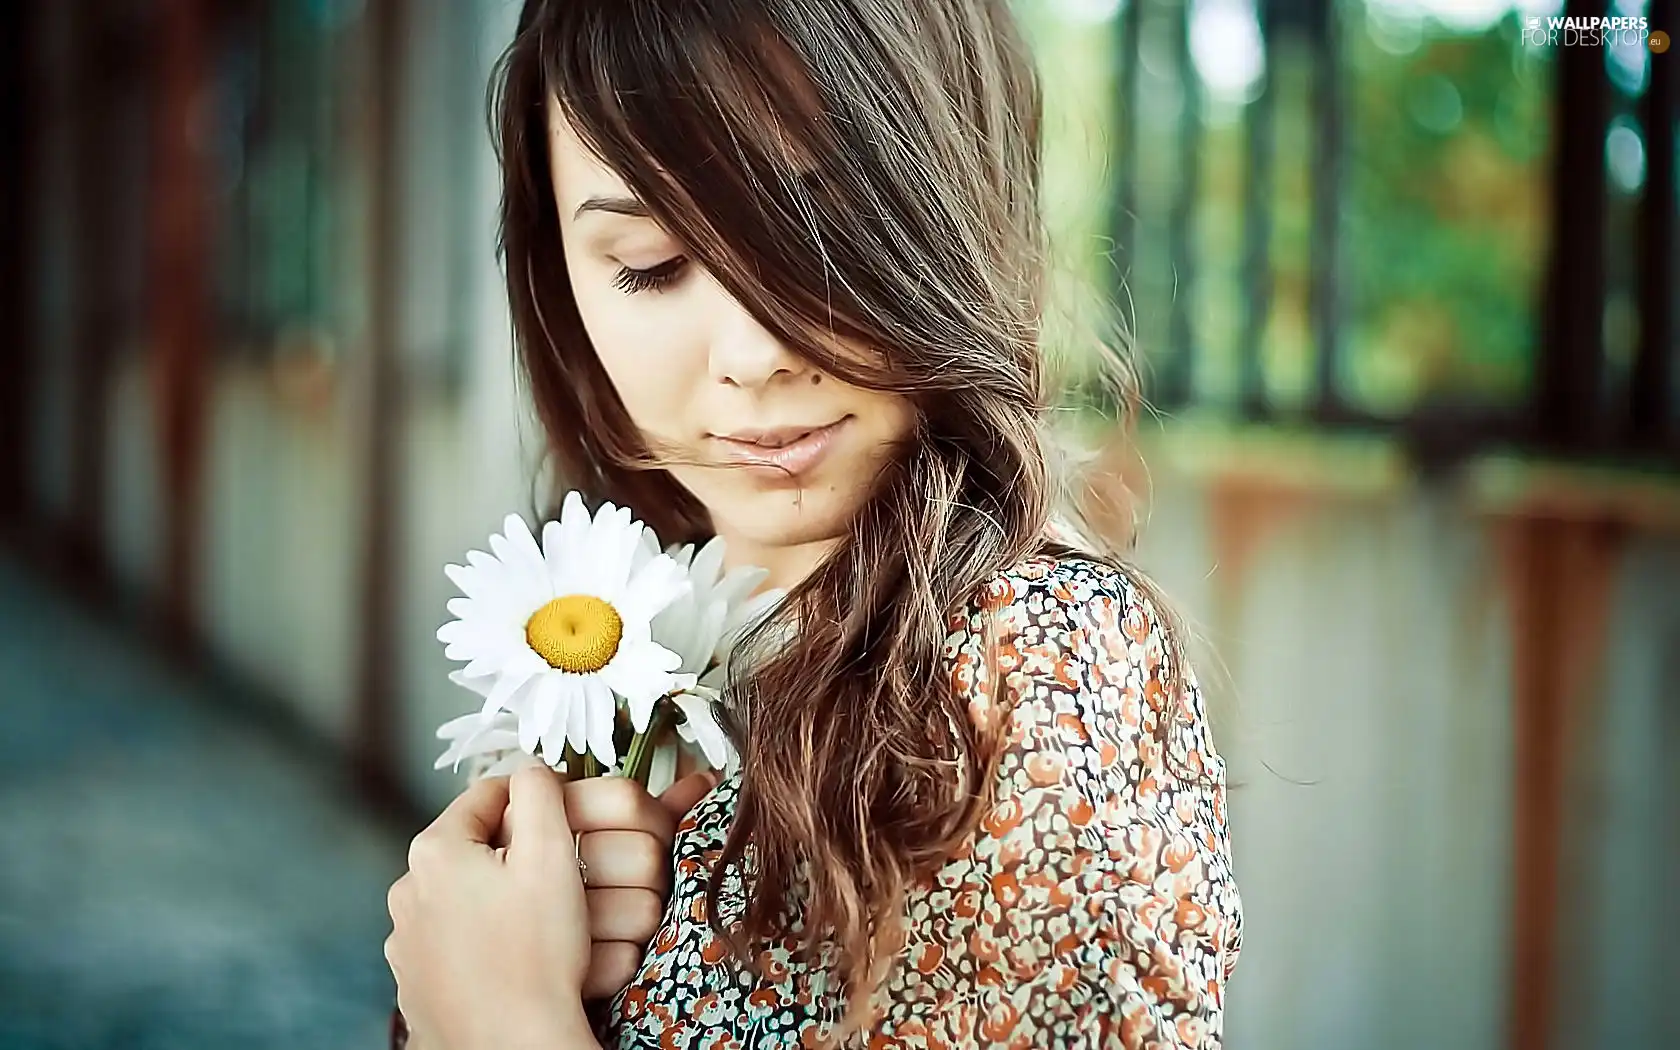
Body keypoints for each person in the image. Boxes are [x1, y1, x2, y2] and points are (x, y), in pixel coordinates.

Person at [382, 0, 1242, 1046]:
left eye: (812, 234)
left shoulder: (1036, 671)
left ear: (957, 206)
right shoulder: (630, 628)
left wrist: (496, 1021)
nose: (752, 353)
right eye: (650, 262)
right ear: (558, 276)